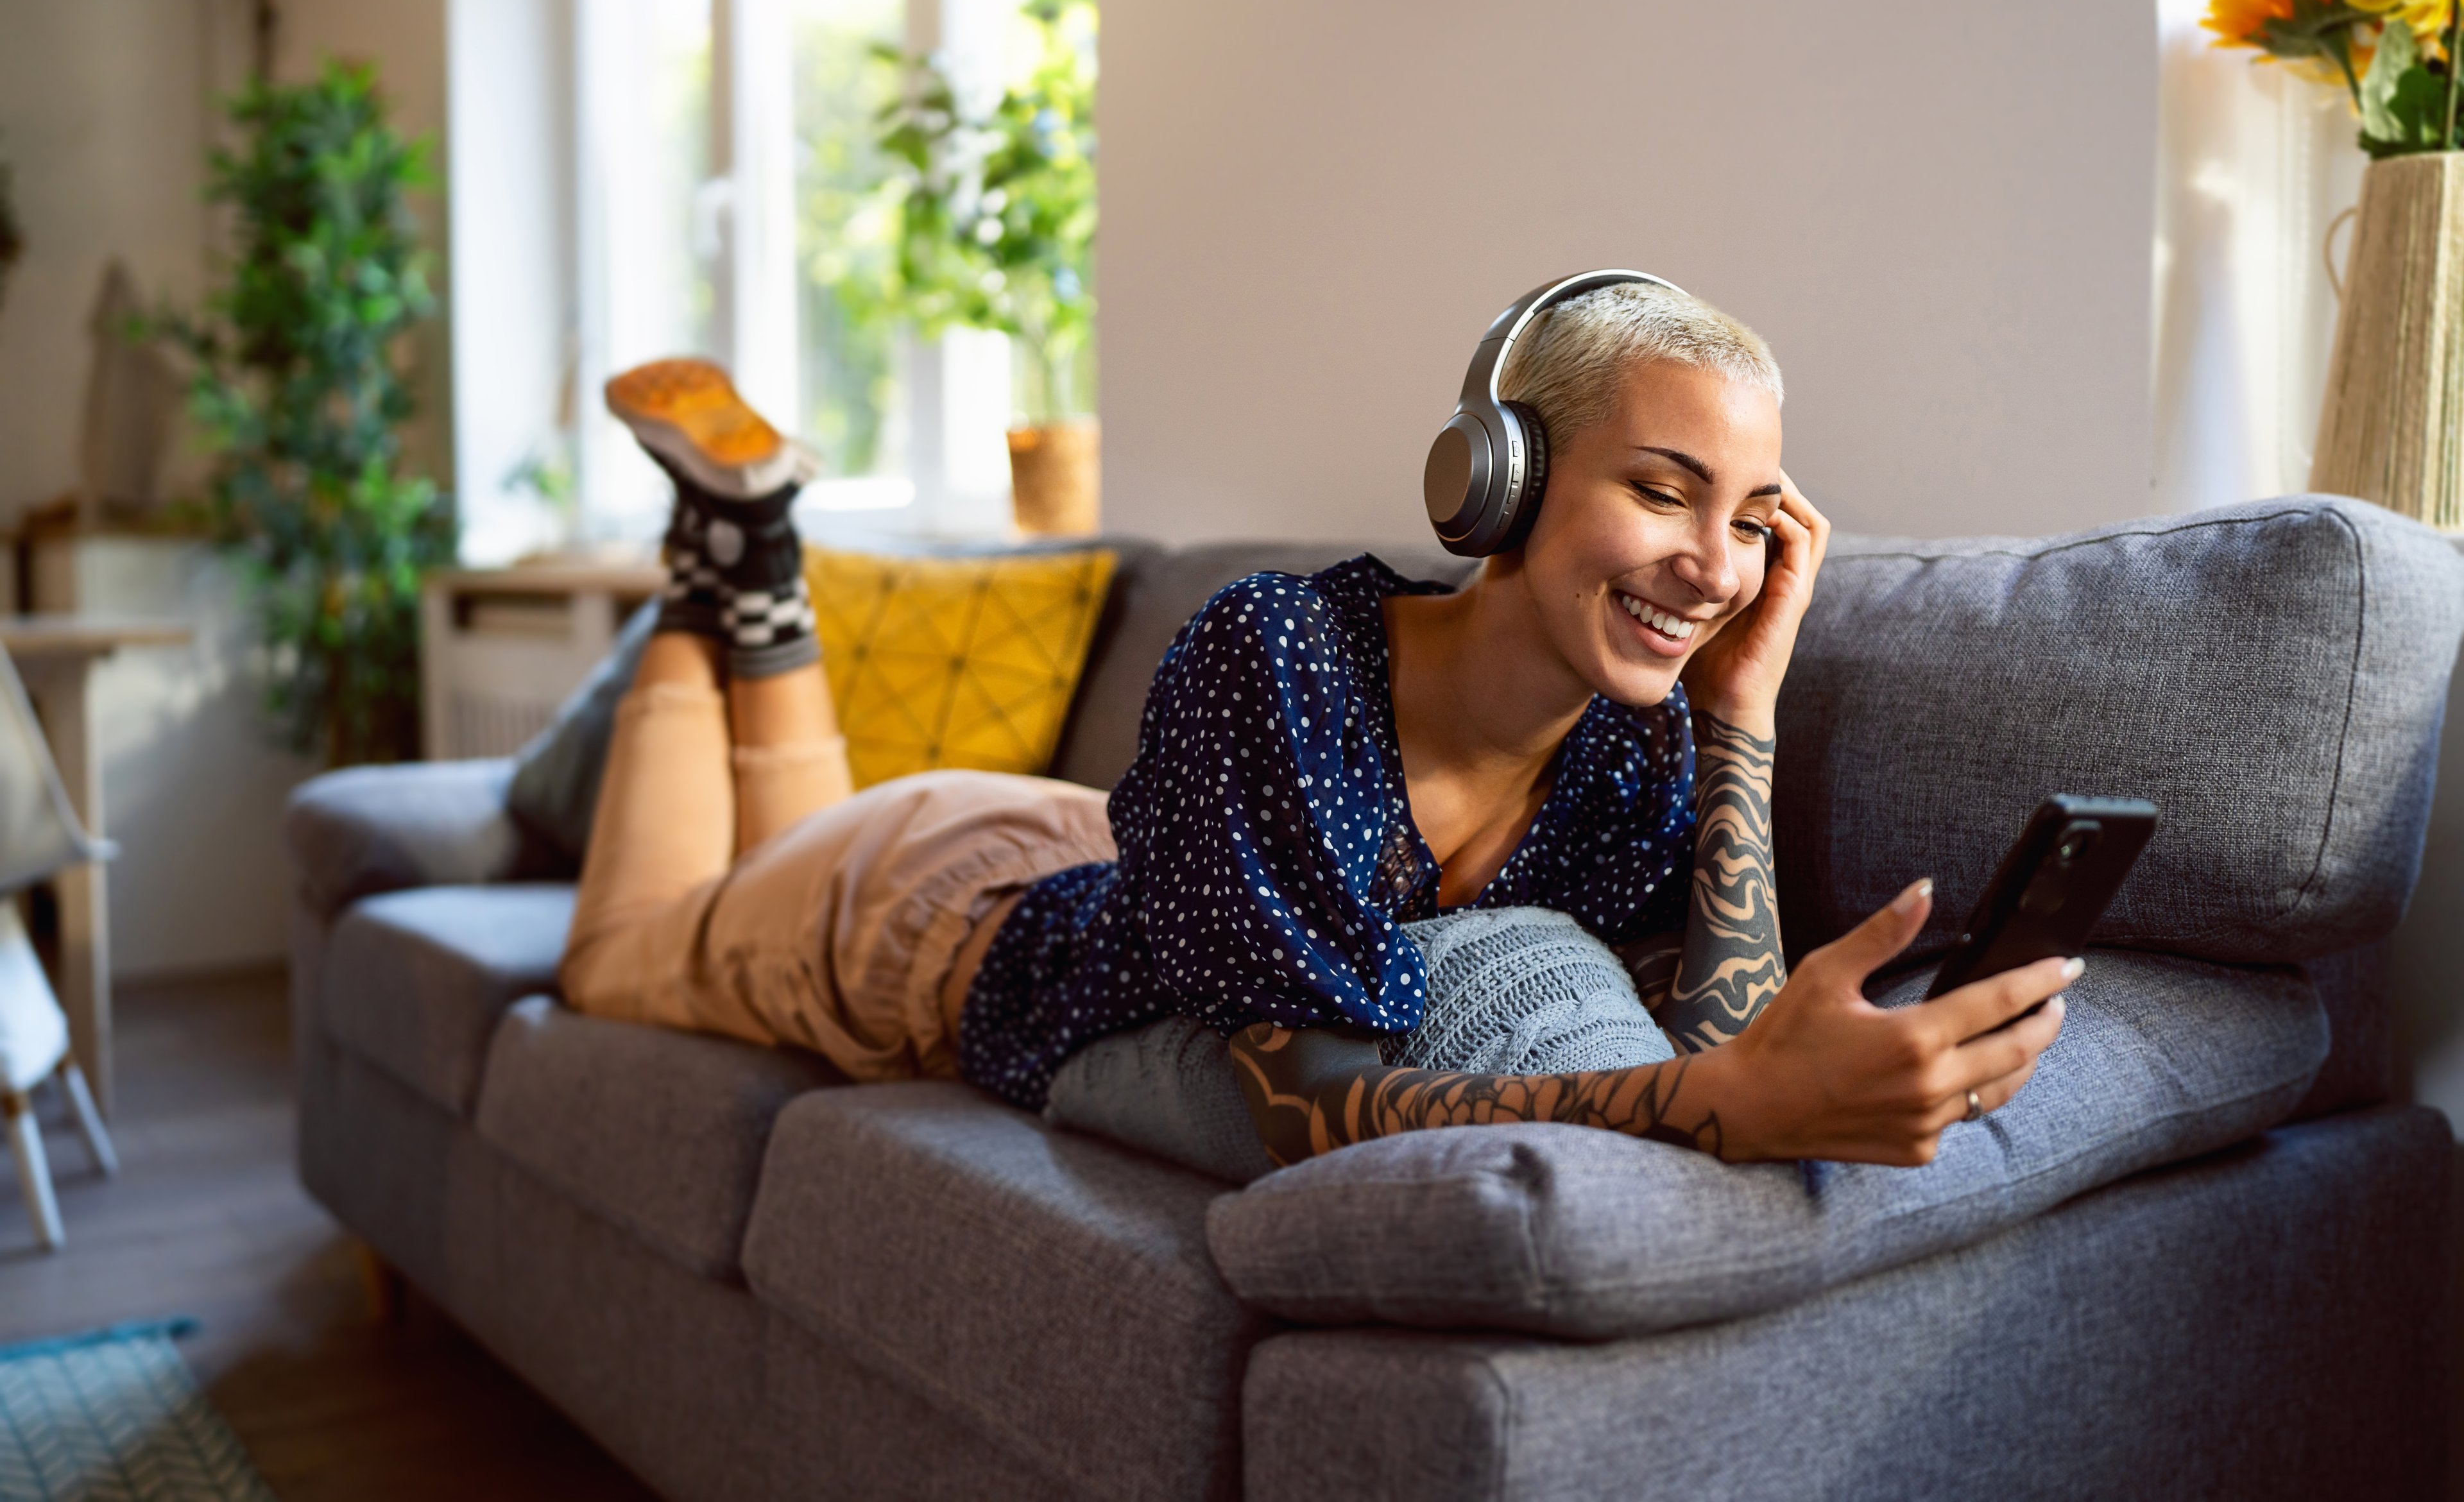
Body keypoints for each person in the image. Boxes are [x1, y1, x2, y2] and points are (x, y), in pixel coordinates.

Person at [560, 284, 2077, 1170]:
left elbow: (1725, 1034)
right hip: (928, 918)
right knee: (623, 954)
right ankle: (740, 564)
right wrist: (1716, 1105)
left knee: (761, 844)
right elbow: (1306, 1096)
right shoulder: (1279, 649)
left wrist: (1741, 712)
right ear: (1498, 480)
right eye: (1664, 489)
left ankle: (745, 555)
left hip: (1082, 846)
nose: (1712, 565)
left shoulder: (1638, 745)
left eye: (1752, 519)